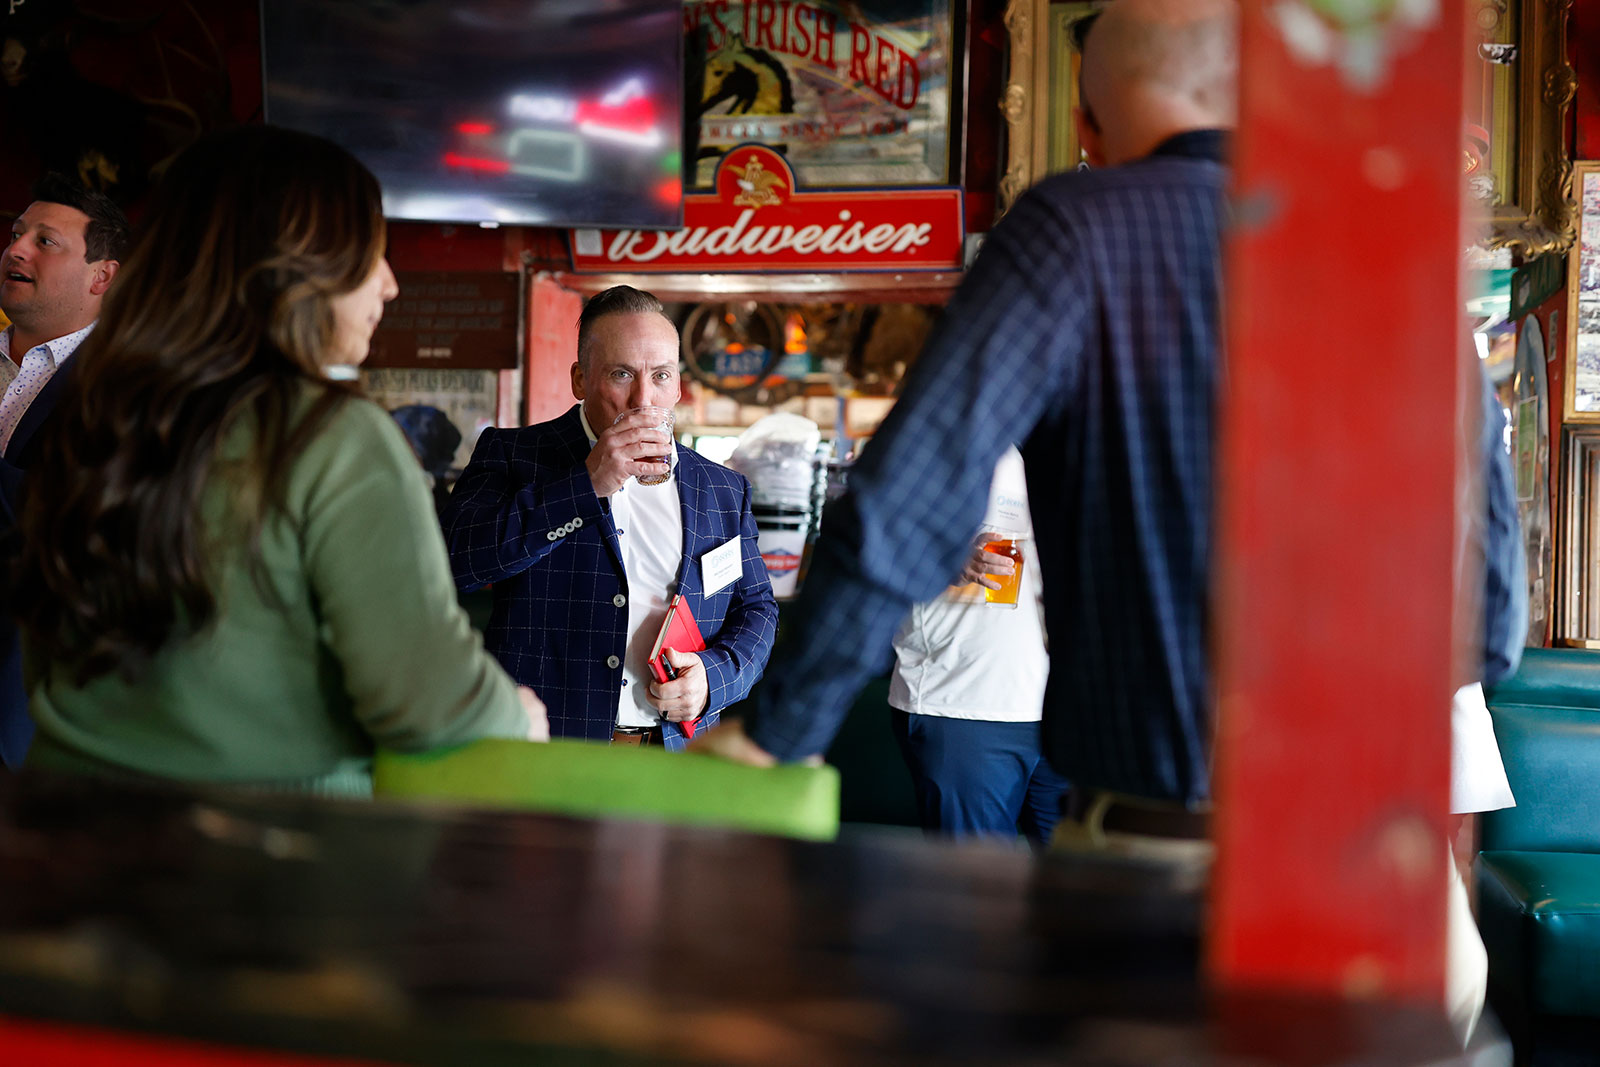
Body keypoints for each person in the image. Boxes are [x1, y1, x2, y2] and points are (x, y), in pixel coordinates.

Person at [695, 0, 1237, 812]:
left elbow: (908, 497)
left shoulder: (1077, 227)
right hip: (1371, 812)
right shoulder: (1366, 232)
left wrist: (779, 730)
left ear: (1087, 128)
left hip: (1153, 805)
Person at [9, 125, 545, 794]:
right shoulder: (335, 434)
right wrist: (512, 716)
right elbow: (428, 703)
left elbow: (40, 658)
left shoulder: (90, 411)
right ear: (298, 268)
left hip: (60, 820)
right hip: (263, 842)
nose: (388, 285)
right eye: (368, 253)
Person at [442, 285, 778, 749]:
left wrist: (712, 678)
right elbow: (456, 564)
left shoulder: (722, 488)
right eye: (622, 374)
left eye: (661, 376)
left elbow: (757, 608)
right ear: (581, 380)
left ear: (678, 386)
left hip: (673, 751)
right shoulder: (512, 454)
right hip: (547, 746)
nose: (644, 399)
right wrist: (585, 485)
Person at [0, 173, 128, 768]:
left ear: (102, 276)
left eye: (45, 241)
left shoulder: (127, 388)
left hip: (36, 703)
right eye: (16, 233)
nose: (16, 249)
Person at [889, 448, 1069, 845]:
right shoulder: (942, 443)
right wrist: (947, 557)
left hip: (1068, 708)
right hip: (966, 704)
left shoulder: (1081, 448)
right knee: (976, 878)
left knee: (1084, 875)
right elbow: (873, 544)